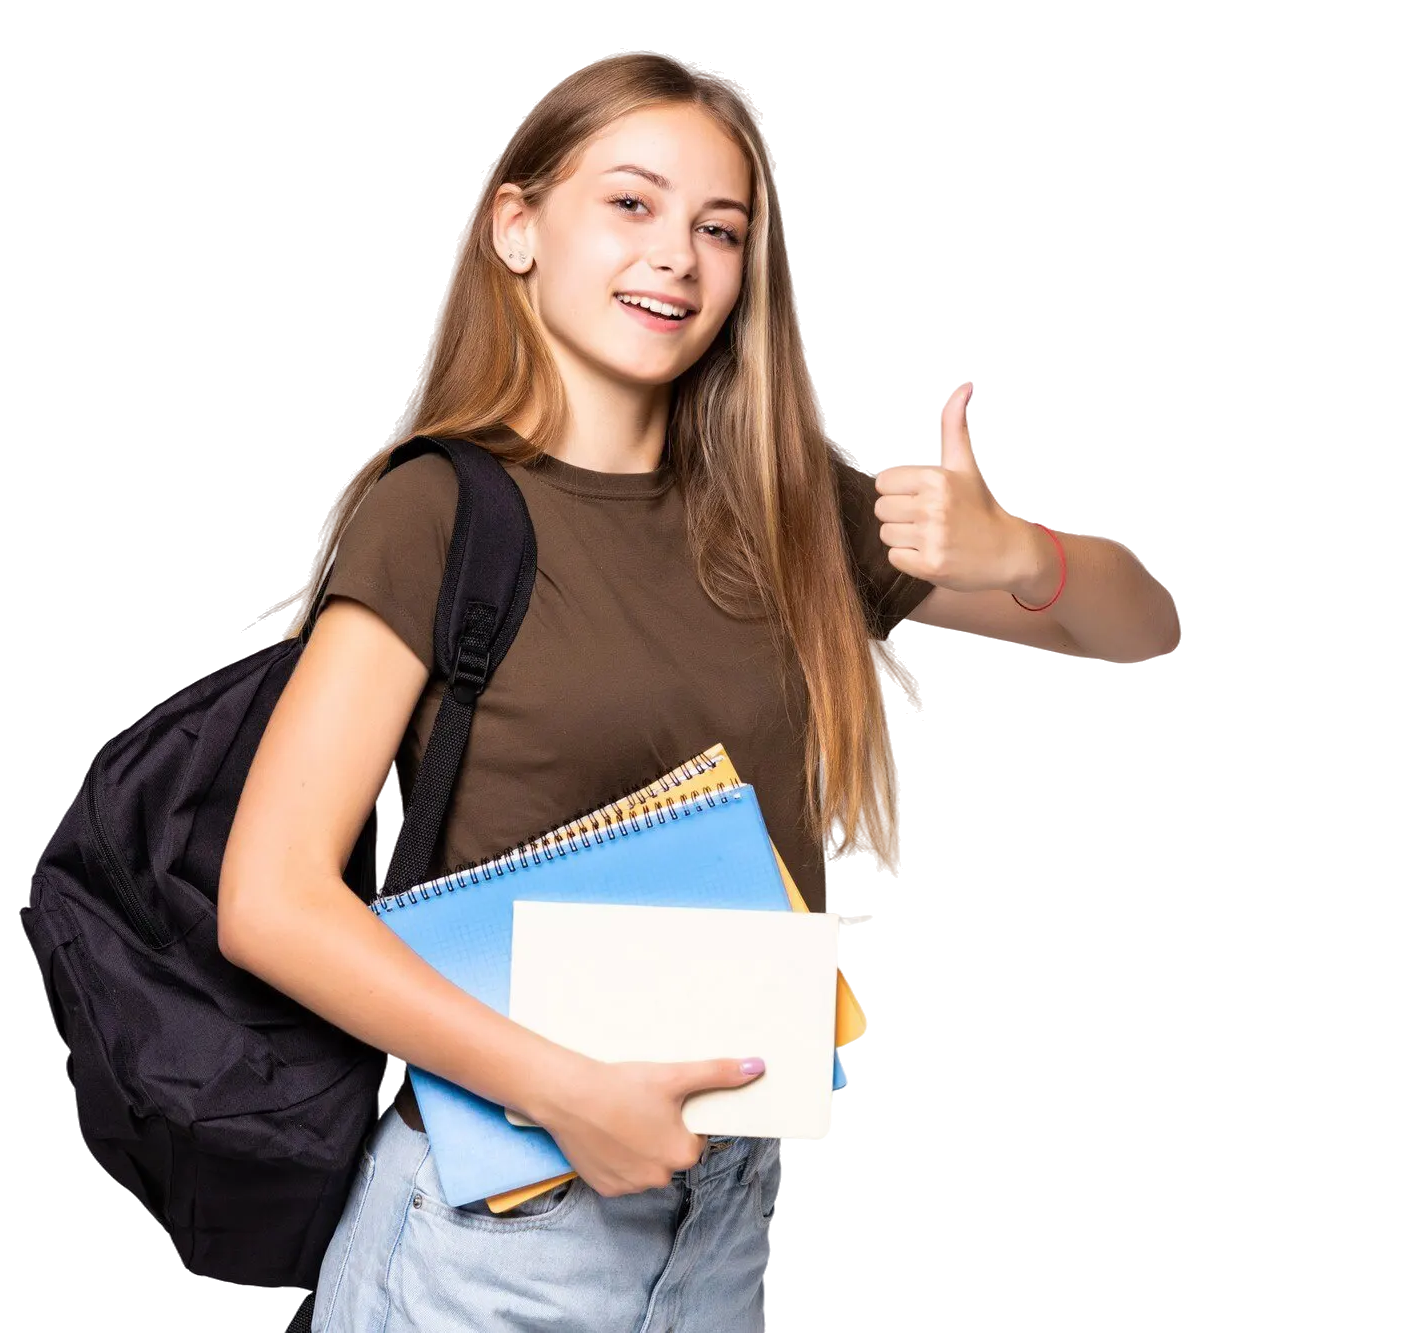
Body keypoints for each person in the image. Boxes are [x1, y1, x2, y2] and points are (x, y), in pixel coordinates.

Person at [216, 53, 1182, 1333]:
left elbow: (1147, 642)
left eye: (716, 229)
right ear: (517, 228)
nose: (676, 255)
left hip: (722, 1214)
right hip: (496, 1229)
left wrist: (1026, 557)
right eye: (629, 204)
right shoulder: (437, 514)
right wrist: (560, 1089)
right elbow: (268, 901)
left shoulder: (789, 519)